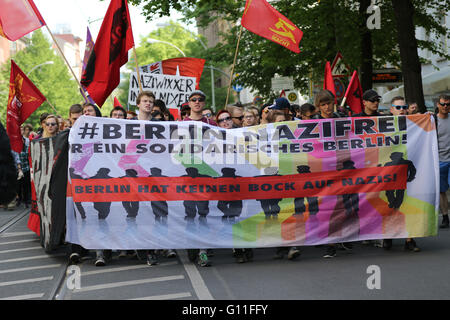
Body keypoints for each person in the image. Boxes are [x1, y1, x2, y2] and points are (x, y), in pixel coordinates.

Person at [435, 94, 450, 228]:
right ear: (437, 105)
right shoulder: (432, 121)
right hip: (439, 160)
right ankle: (445, 216)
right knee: (442, 191)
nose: (445, 106)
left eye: (448, 104)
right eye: (443, 104)